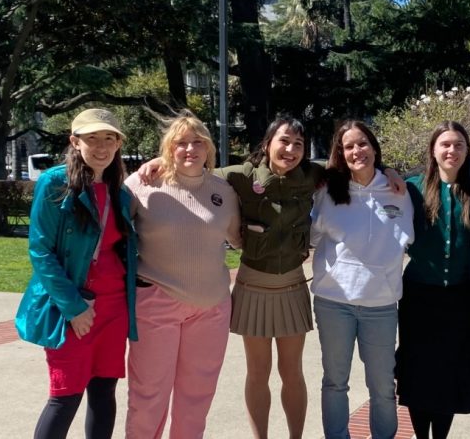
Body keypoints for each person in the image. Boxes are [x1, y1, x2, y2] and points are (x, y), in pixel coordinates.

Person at [136, 116, 404, 439]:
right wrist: (159, 162)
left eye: (298, 145)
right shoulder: (239, 176)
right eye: (284, 141)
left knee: (292, 373)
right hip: (252, 285)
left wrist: (388, 171)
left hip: (291, 286)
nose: (290, 150)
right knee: (257, 373)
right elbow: (195, 173)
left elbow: (355, 169)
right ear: (267, 144)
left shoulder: (313, 177)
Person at [15, 108, 138, 439]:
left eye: (109, 138)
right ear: (74, 141)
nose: (102, 147)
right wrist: (75, 308)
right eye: (92, 138)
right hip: (71, 307)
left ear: (118, 144)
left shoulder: (120, 191)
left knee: (103, 394)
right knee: (65, 396)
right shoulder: (55, 183)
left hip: (113, 309)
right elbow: (40, 251)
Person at [124, 111, 242, 438]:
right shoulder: (143, 184)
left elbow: (239, 238)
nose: (190, 149)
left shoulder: (224, 191)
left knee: (197, 397)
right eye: (181, 143)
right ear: (168, 148)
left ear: (208, 149)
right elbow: (110, 227)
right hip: (156, 303)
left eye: (197, 142)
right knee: (149, 395)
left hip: (211, 307)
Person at [310, 120, 414, 439]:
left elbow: (408, 235)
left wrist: (393, 172)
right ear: (340, 153)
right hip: (334, 303)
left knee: (383, 386)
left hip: (380, 305)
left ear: (374, 147)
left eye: (363, 143)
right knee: (335, 382)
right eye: (349, 146)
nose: (357, 151)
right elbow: (313, 236)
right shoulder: (328, 192)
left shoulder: (397, 190)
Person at [394, 121, 470, 439]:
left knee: (449, 372)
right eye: (445, 144)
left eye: (458, 144)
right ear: (433, 149)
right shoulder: (412, 187)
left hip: (459, 296)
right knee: (419, 371)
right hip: (419, 295)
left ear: (467, 150)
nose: (451, 151)